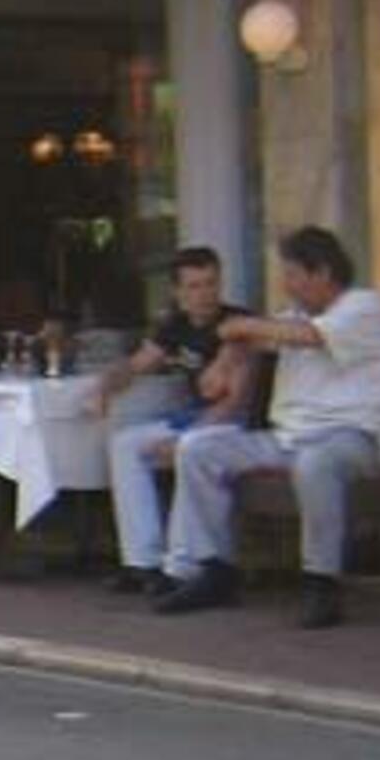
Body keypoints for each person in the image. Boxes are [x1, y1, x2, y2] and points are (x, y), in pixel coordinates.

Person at [153, 227, 380, 629]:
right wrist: (224, 362)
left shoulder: (363, 306)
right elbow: (253, 339)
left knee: (315, 463)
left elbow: (309, 337)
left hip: (353, 438)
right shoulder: (293, 315)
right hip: (287, 438)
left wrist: (242, 329)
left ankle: (322, 581)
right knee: (197, 448)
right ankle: (217, 570)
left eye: (293, 274)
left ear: (322, 273)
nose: (287, 284)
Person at [101, 245, 251, 595]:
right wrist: (104, 388)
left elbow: (236, 402)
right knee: (124, 444)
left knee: (187, 448)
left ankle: (180, 569)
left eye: (211, 283)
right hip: (191, 418)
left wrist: (188, 434)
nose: (205, 294)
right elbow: (139, 363)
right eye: (195, 286)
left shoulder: (237, 325)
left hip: (232, 424)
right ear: (178, 292)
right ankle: (142, 563)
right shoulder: (176, 325)